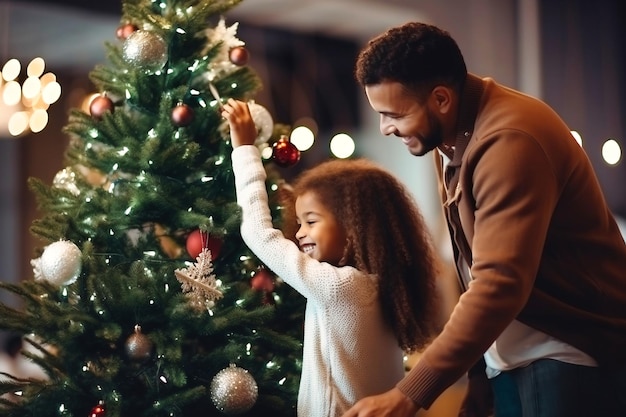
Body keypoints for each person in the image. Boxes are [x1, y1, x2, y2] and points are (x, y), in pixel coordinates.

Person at [342, 21, 626, 417]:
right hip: (512, 356)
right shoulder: (453, 134)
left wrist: (408, 394)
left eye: (393, 114)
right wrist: (479, 373)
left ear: (441, 98)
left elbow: (499, 283)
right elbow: (471, 263)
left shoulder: (510, 138)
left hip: (566, 353)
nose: (385, 128)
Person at [222, 98, 441, 417]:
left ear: (353, 225)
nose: (298, 234)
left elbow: (257, 231)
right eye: (299, 223)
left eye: (311, 221)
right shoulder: (384, 285)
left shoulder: (340, 288)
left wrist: (244, 149)